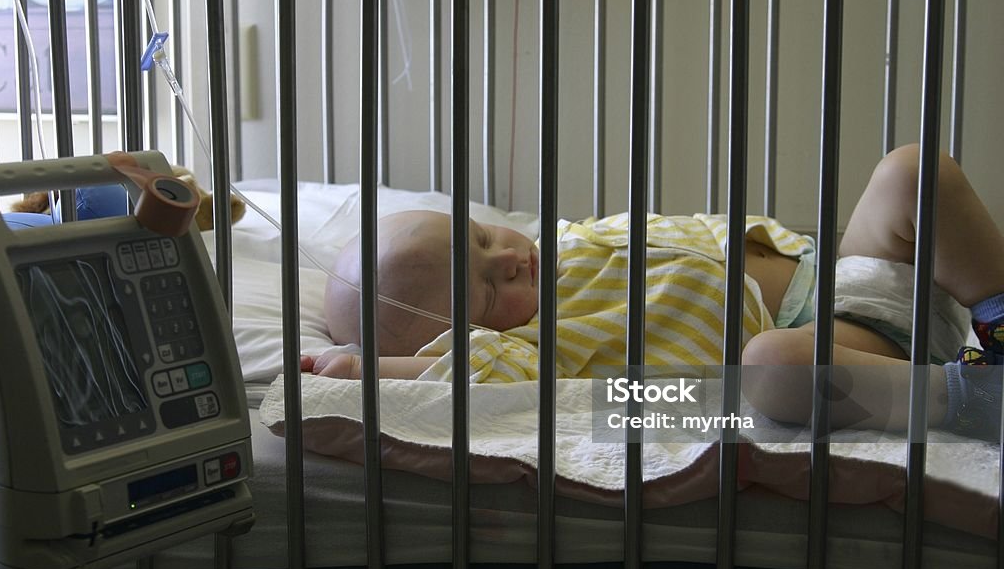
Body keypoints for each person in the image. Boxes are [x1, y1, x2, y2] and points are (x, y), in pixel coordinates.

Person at [304, 145, 1004, 441]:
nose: (511, 261)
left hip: (850, 271)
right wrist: (374, 369)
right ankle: (976, 397)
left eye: (485, 240)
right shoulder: (529, 351)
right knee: (770, 369)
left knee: (914, 171)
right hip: (847, 349)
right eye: (488, 291)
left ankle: (998, 317)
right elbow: (470, 376)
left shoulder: (567, 239)